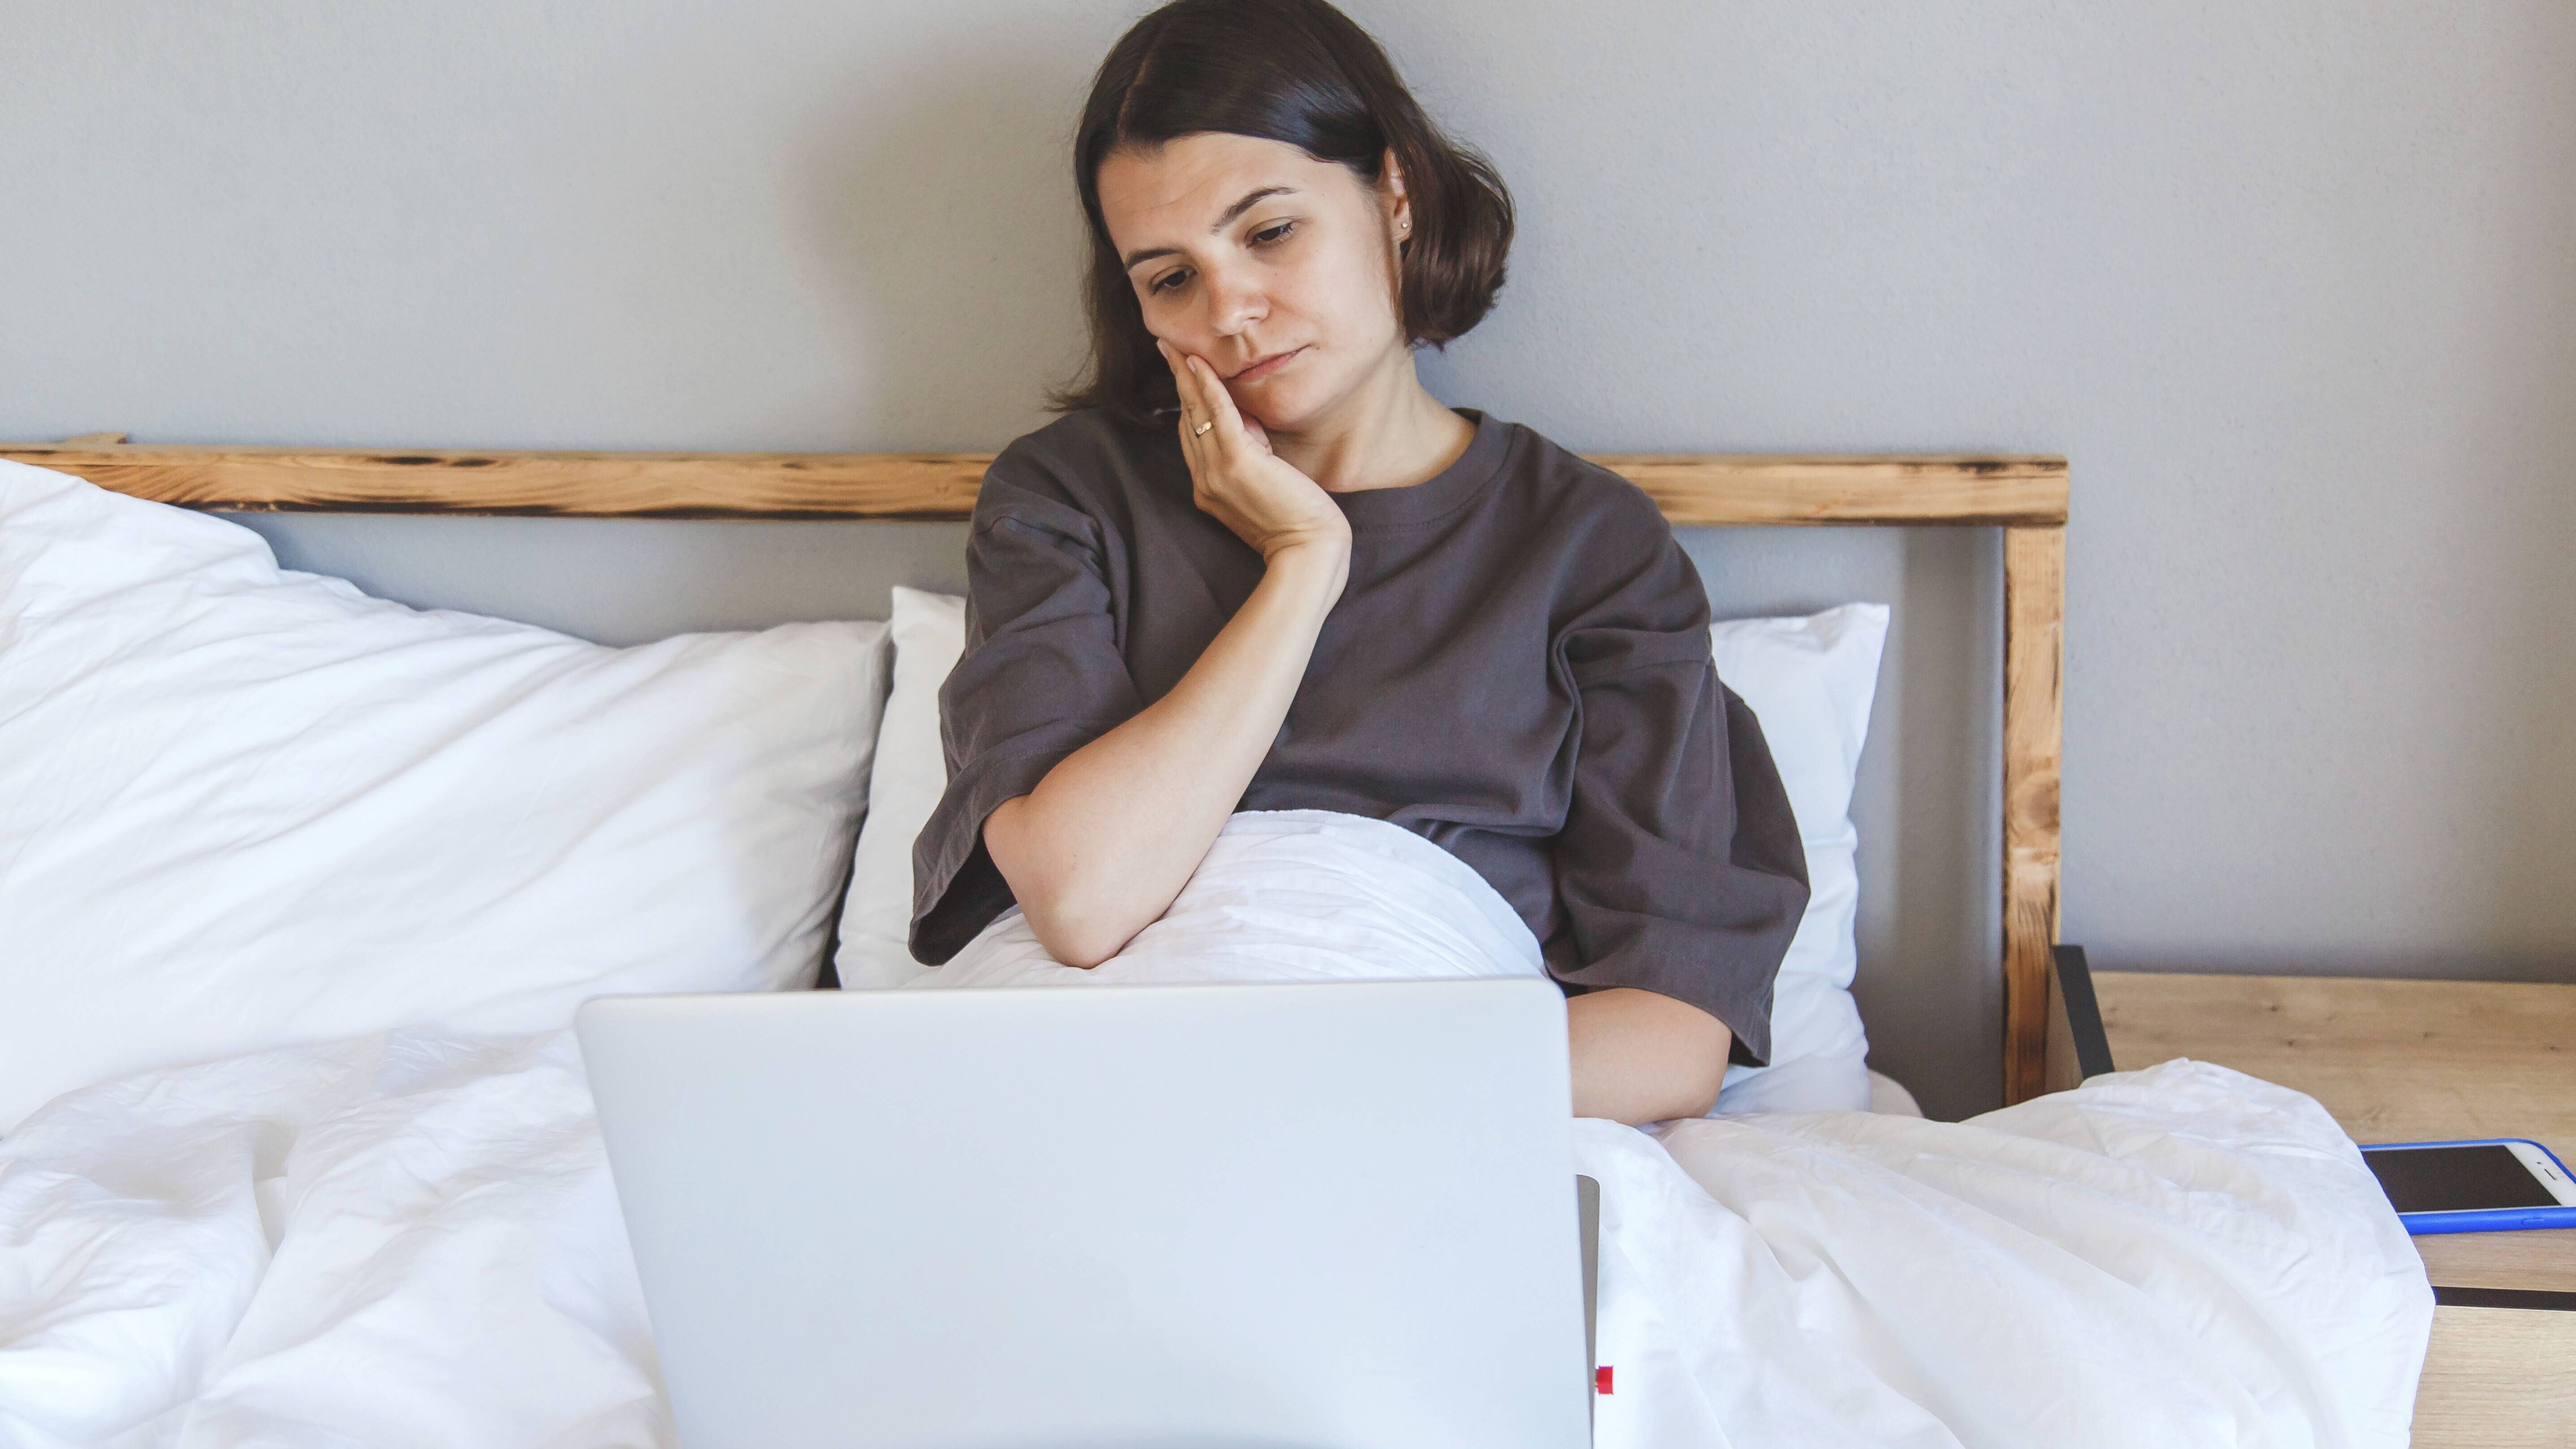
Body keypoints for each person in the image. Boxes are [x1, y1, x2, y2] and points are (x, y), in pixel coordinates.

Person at [909, 0, 1808, 1126]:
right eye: (1170, 278)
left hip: (1401, 1105)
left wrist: (1315, 1100)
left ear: (1397, 194)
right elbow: (1083, 904)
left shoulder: (1587, 546)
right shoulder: (1066, 497)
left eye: (1270, 232)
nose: (1232, 310)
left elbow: (1673, 1034)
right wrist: (1302, 566)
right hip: (1088, 1091)